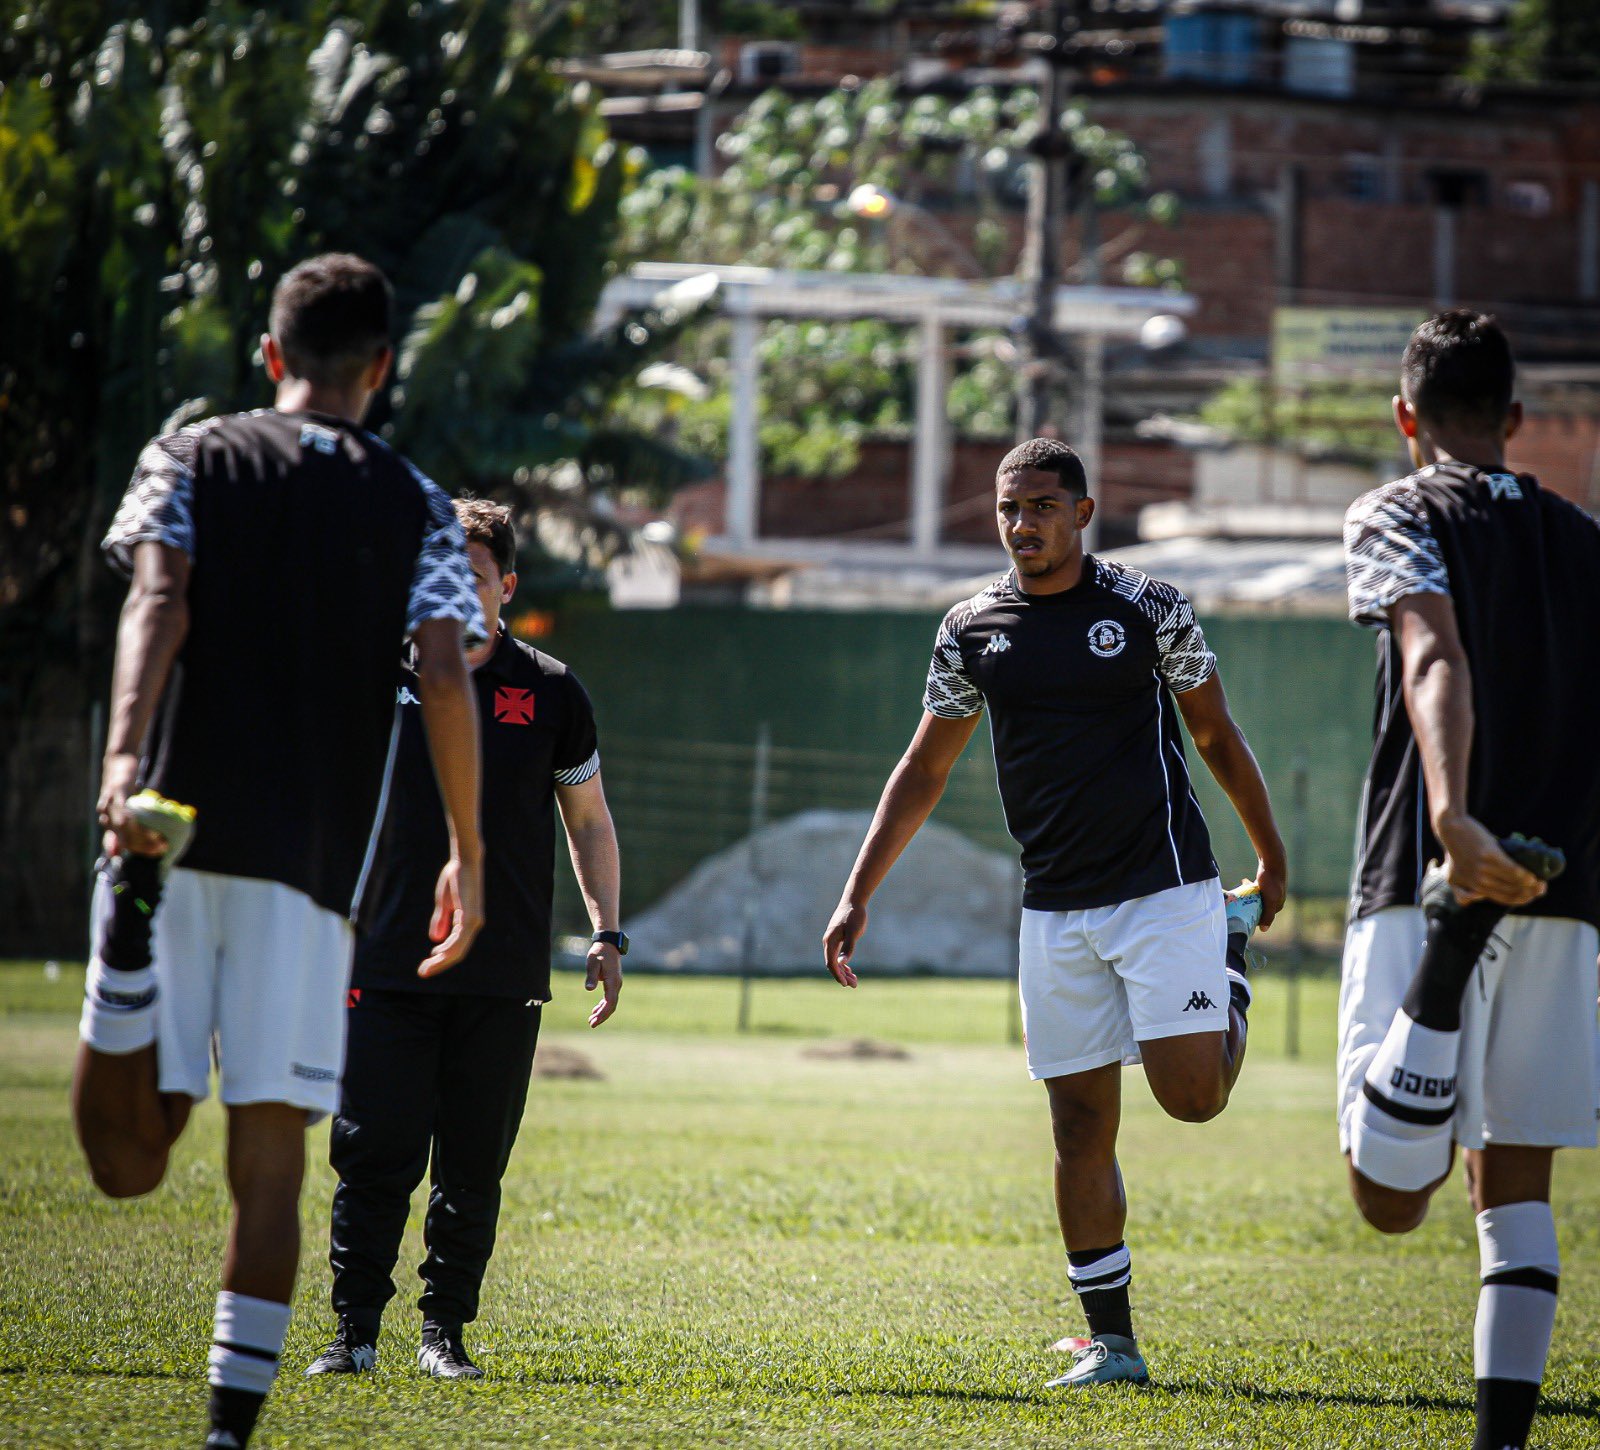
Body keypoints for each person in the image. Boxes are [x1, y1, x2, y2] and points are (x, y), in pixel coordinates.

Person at [72, 253, 487, 1450]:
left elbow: (157, 596)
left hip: (172, 823)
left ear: (270, 355)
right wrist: (463, 846)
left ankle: (124, 943)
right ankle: (226, 1440)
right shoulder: (414, 500)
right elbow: (449, 668)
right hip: (306, 876)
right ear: (381, 369)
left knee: (127, 1165)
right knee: (268, 1164)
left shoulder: (190, 451)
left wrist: (117, 763)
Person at [823, 436, 1287, 1389]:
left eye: (1040, 505)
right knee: (1079, 1129)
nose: (1021, 523)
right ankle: (1112, 1343)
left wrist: (1272, 854)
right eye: (1007, 508)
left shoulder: (1149, 607)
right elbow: (925, 768)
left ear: (1083, 511)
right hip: (1055, 912)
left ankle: (1228, 959)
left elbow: (1215, 732)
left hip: (1165, 891)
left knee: (1193, 1101)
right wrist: (856, 890)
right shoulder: (970, 628)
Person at [1338, 310, 1600, 1450]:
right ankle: (1502, 1443)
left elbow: (1430, 653)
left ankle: (1442, 964)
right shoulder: (1586, 538)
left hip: (1428, 865)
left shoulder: (1397, 508)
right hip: (1563, 881)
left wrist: (1451, 820)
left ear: (1405, 419)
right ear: (1514, 421)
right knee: (1520, 1188)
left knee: (1387, 1196)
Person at [305, 499, 624, 1381]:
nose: (449, 588)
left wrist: (607, 930)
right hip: (386, 960)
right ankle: (354, 1333)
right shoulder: (379, 674)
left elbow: (589, 820)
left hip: (504, 968)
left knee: (473, 1167)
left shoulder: (552, 689)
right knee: (373, 1151)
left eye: (471, 574)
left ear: (507, 587)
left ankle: (444, 1334)